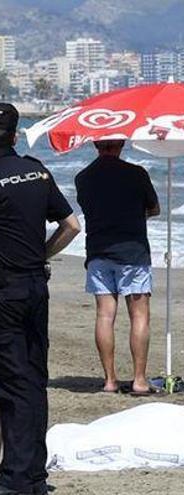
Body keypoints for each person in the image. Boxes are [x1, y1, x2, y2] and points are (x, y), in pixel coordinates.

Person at [0, 103, 81, 495]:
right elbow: (71, 225)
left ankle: (14, 479)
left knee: (9, 384)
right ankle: (34, 476)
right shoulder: (37, 170)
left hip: (1, 291)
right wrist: (40, 255)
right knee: (33, 381)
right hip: (34, 286)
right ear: (14, 136)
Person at [75, 140, 160, 395]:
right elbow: (153, 208)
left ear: (95, 144)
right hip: (132, 251)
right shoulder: (136, 173)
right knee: (139, 315)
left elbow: (90, 209)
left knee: (104, 315)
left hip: (98, 251)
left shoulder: (83, 178)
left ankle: (110, 380)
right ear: (122, 143)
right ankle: (139, 380)